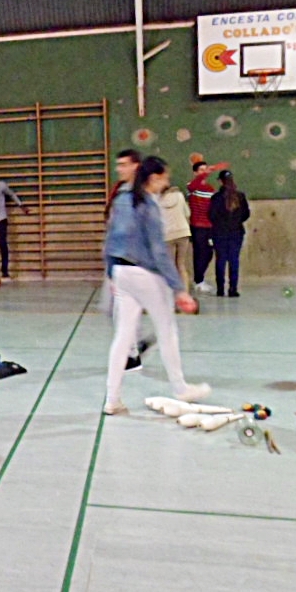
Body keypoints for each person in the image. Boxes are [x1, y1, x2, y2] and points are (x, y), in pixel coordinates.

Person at [103, 156, 211, 416]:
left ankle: (112, 399)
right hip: (144, 274)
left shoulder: (121, 199)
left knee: (123, 336)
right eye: (165, 177)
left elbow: (111, 240)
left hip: (121, 272)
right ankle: (180, 387)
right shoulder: (149, 205)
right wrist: (179, 288)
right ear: (153, 178)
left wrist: (111, 274)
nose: (167, 181)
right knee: (167, 329)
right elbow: (159, 252)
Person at [106, 149, 152, 372]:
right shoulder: (122, 192)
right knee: (120, 310)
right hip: (122, 261)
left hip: (130, 262)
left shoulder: (140, 195)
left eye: (124, 164)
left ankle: (132, 355)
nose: (119, 169)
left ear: (136, 166)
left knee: (121, 312)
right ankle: (136, 343)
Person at [209, 169, 251, 297]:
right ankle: (233, 289)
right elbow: (246, 214)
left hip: (219, 232)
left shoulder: (216, 198)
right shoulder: (240, 196)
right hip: (236, 232)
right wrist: (236, 221)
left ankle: (220, 289)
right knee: (234, 260)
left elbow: (211, 215)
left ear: (220, 181)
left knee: (220, 260)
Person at [187, 159, 227, 293]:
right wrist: (209, 171)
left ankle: (200, 278)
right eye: (201, 170)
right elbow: (194, 185)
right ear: (195, 173)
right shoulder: (192, 186)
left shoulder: (210, 189)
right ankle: (198, 281)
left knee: (208, 253)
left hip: (210, 226)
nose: (204, 172)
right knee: (199, 253)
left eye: (205, 169)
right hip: (197, 226)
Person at [160, 183, 191, 291]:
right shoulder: (180, 196)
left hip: (168, 235)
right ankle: (185, 292)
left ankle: (173, 293)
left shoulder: (158, 200)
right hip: (183, 232)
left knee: (171, 266)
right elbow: (187, 214)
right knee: (181, 265)